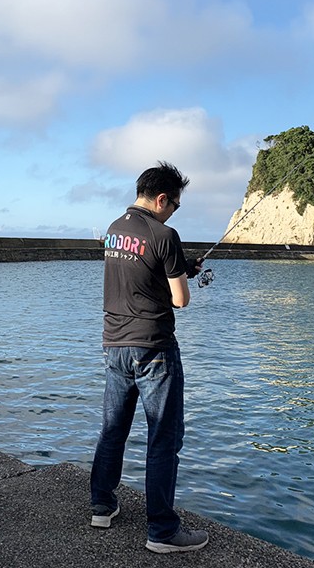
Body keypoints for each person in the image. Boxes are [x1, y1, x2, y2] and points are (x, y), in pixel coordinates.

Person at [90, 162, 208, 554]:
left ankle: (102, 505)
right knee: (163, 439)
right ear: (161, 199)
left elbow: (140, 275)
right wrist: (181, 271)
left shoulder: (114, 230)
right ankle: (161, 530)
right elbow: (180, 300)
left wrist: (180, 267)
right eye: (174, 204)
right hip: (154, 349)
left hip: (114, 346)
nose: (173, 211)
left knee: (113, 430)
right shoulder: (165, 234)